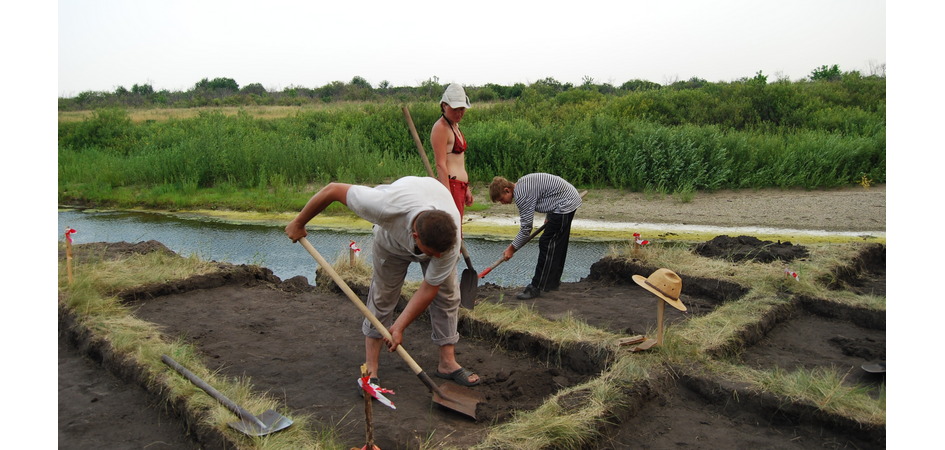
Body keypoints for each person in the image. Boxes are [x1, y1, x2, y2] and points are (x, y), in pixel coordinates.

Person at [285, 176, 481, 387]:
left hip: (430, 209)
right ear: (415, 236)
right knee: (383, 295)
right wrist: (299, 222)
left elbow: (429, 288)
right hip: (390, 242)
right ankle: (371, 367)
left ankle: (447, 363)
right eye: (433, 254)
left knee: (447, 295)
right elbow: (333, 190)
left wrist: (399, 327)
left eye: (440, 254)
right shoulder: (384, 206)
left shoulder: (449, 243)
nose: (439, 258)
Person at [489, 173, 582, 300]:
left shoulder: (522, 195)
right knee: (558, 243)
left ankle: (536, 287)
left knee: (546, 243)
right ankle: (552, 283)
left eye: (501, 199)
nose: (502, 203)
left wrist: (512, 248)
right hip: (567, 200)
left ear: (507, 190)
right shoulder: (521, 185)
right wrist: (549, 216)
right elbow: (548, 194)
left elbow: (526, 228)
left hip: (565, 204)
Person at [430, 83, 473, 217]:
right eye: (455, 109)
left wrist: (466, 188)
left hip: (460, 186)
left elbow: (459, 162)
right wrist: (447, 195)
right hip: (451, 186)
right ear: (444, 106)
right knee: (452, 231)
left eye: (462, 109)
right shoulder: (441, 128)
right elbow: (440, 164)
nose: (459, 113)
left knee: (456, 230)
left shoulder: (455, 126)